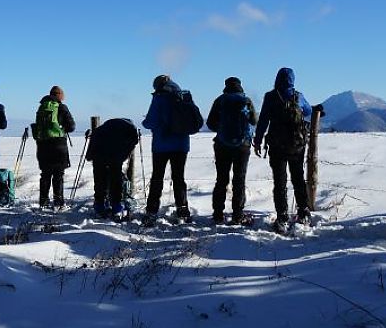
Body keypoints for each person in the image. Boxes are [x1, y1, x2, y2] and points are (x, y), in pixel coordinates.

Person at [253, 67, 314, 233]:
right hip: (297, 146)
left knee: (279, 182)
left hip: (277, 146)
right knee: (298, 178)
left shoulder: (271, 97)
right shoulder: (298, 96)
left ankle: (282, 216)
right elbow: (308, 110)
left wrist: (258, 141)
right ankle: (304, 212)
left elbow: (263, 120)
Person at [142, 75, 194, 224]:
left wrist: (145, 122)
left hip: (161, 145)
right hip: (181, 145)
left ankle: (152, 211)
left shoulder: (159, 98)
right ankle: (182, 209)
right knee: (179, 177)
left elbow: (150, 122)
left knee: (157, 177)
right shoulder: (184, 96)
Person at [206, 77, 257, 225]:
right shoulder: (246, 100)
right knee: (239, 181)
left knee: (221, 180)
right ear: (240, 86)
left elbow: (210, 123)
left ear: (226, 86)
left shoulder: (220, 100)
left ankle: (217, 214)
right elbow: (254, 120)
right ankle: (237, 215)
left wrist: (221, 130)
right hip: (242, 146)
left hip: (222, 145)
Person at [85, 118, 139, 218]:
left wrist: (89, 156)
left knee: (100, 180)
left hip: (98, 153)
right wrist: (122, 157)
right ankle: (116, 207)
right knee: (116, 180)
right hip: (114, 155)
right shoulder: (130, 129)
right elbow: (133, 142)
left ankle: (99, 206)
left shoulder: (102, 128)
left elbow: (93, 142)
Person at [33, 85, 75, 209]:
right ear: (59, 96)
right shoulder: (61, 107)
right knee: (58, 175)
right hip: (58, 145)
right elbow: (71, 126)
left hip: (42, 145)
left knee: (45, 174)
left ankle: (43, 202)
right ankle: (58, 203)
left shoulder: (42, 107)